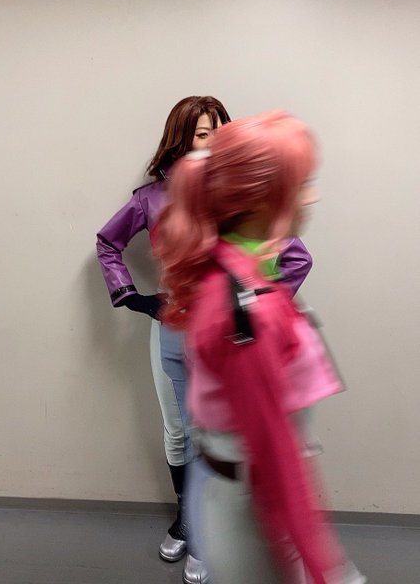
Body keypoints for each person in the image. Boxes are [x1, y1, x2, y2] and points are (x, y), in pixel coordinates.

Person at [96, 99, 314, 584]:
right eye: (201, 133)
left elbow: (296, 256)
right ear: (180, 139)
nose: (211, 141)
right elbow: (108, 243)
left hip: (225, 339)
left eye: (218, 131)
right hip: (172, 328)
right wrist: (135, 298)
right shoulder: (149, 200)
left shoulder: (237, 195)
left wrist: (252, 308)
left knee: (217, 435)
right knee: (178, 432)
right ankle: (187, 521)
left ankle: (209, 536)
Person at [154, 111, 365, 584]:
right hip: (253, 511)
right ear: (261, 201)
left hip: (239, 492)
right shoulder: (246, 310)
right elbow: (275, 456)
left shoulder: (239, 271)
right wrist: (329, 571)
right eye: (304, 183)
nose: (312, 196)